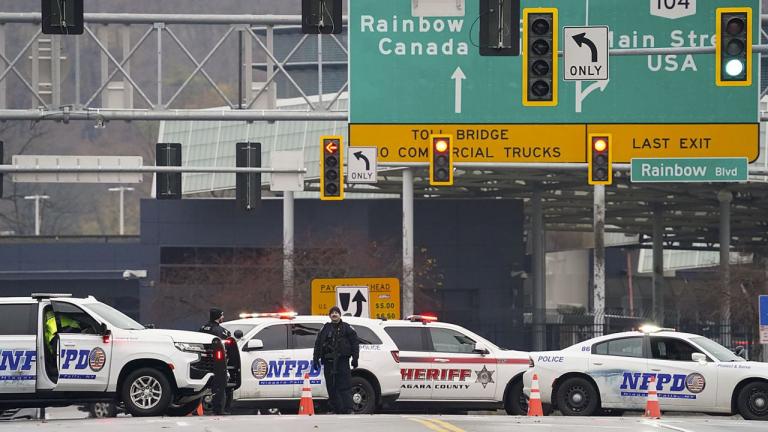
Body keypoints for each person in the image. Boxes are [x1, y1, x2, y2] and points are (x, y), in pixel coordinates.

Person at [313, 306, 359, 414]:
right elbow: (318, 344)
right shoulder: (325, 328)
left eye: (336, 312)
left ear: (340, 314)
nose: (334, 314)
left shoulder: (347, 328)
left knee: (345, 385)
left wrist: (355, 358)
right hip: (328, 361)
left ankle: (348, 408)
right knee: (331, 386)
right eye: (332, 313)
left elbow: (355, 344)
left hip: (342, 361)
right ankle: (335, 408)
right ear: (329, 315)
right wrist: (315, 358)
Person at [199, 308, 231, 415]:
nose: (223, 317)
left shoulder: (203, 328)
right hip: (218, 362)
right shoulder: (221, 331)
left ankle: (197, 409)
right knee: (221, 385)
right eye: (222, 315)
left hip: (203, 362)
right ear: (218, 316)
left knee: (201, 386)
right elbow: (227, 343)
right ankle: (219, 409)